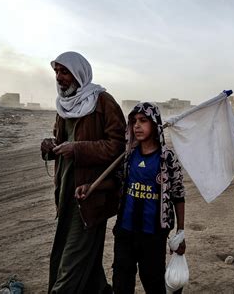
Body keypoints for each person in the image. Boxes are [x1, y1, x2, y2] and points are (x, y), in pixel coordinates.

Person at [76, 102, 186, 293]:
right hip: (125, 231)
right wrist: (91, 187)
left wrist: (181, 233)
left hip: (153, 234)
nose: (137, 126)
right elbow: (118, 182)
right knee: (121, 282)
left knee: (153, 282)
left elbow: (178, 194)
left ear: (155, 124)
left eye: (143, 121)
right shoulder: (129, 156)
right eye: (134, 121)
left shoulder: (166, 158)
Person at [40, 51, 126, 293]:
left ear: (79, 73)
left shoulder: (103, 101)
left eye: (64, 71)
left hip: (90, 194)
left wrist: (78, 149)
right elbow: (61, 144)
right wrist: (49, 147)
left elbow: (119, 146)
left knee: (72, 259)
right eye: (56, 71)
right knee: (77, 256)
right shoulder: (63, 106)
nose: (59, 77)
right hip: (66, 194)